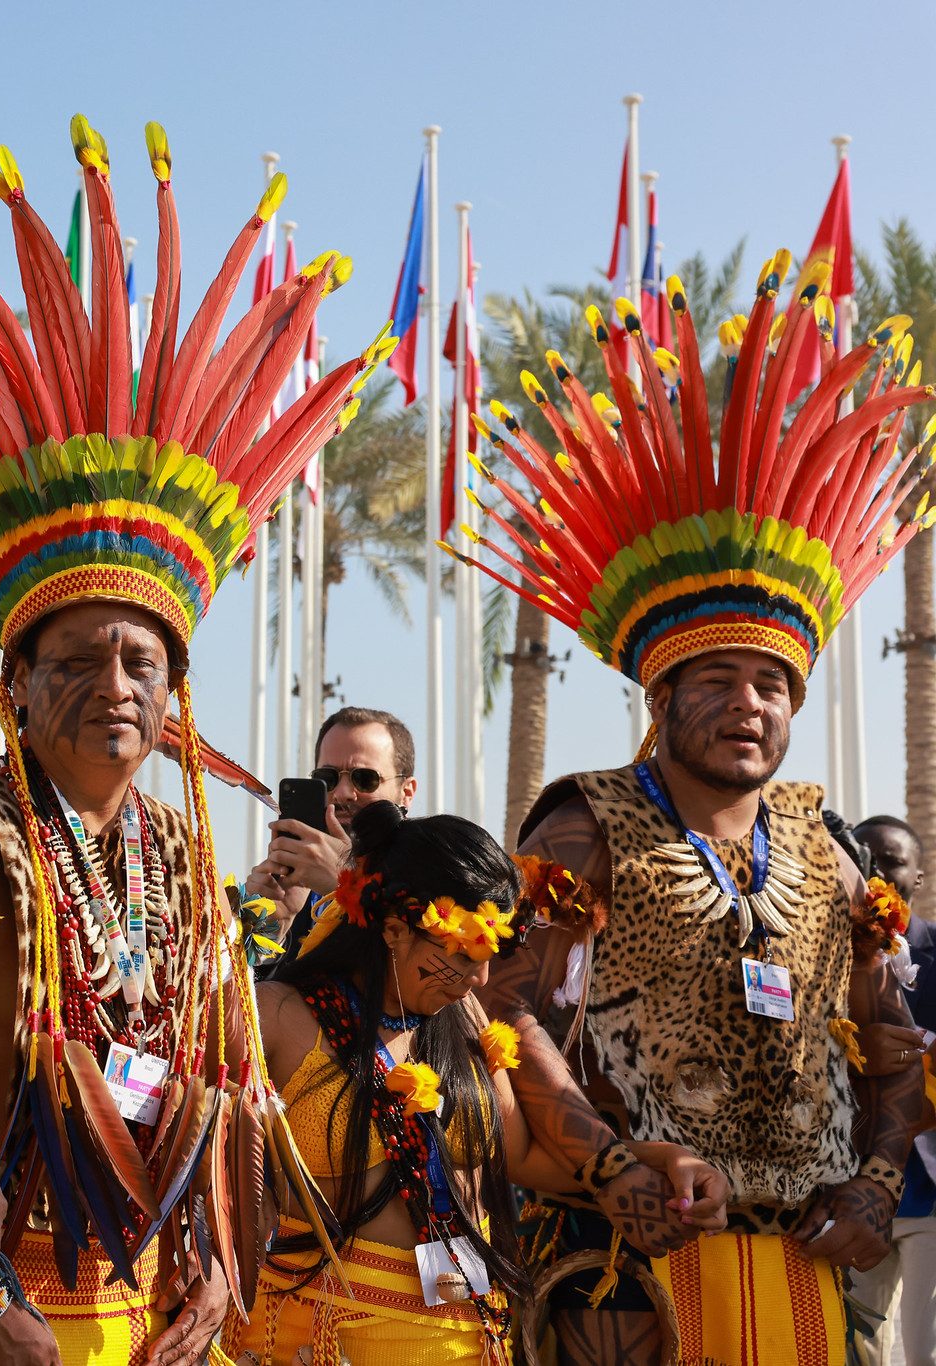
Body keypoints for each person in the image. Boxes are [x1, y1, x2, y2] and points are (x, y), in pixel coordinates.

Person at [0, 116, 393, 1364]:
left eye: (143, 661)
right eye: (76, 660)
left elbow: (228, 1089)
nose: (115, 685)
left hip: (144, 1315)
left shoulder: (179, 851)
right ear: (16, 683)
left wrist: (212, 1275)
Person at [446, 254, 931, 1364]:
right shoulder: (585, 823)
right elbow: (506, 1018)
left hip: (799, 1268)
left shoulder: (827, 851)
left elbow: (888, 1043)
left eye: (769, 684)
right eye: (713, 680)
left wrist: (869, 1186)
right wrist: (614, 1168)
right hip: (629, 1272)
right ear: (658, 695)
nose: (745, 705)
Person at [249, 801, 725, 1363]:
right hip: (318, 1341)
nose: (482, 978)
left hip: (471, 1338)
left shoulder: (464, 1018)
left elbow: (521, 1157)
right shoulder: (275, 1016)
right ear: (396, 931)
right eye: (464, 953)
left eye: (494, 955)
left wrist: (662, 1160)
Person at [848, 816, 936, 1366]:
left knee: (925, 1350)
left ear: (918, 878)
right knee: (854, 1350)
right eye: (867, 860)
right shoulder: (824, 958)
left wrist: (917, 1047)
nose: (879, 873)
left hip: (930, 1191)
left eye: (893, 862)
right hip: (852, 1190)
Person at [255, 706, 420, 955]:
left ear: (406, 792)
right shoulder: (300, 886)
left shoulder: (434, 869)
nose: (342, 793)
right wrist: (272, 929)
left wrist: (346, 885)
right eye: (328, 777)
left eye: (365, 778)